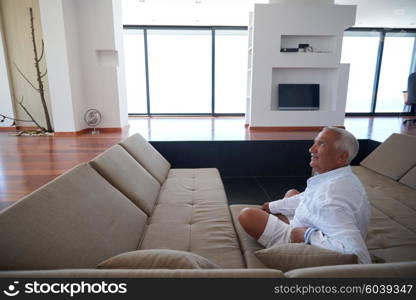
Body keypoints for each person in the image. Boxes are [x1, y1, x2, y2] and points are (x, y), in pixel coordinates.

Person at [238, 127, 372, 264]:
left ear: (341, 157)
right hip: (319, 226)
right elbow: (307, 197)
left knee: (247, 215)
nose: (311, 149)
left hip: (306, 240)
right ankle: (285, 220)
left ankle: (286, 227)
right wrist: (272, 206)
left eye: (322, 144)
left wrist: (307, 235)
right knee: (292, 193)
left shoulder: (330, 199)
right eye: (315, 142)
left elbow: (359, 256)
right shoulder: (342, 178)